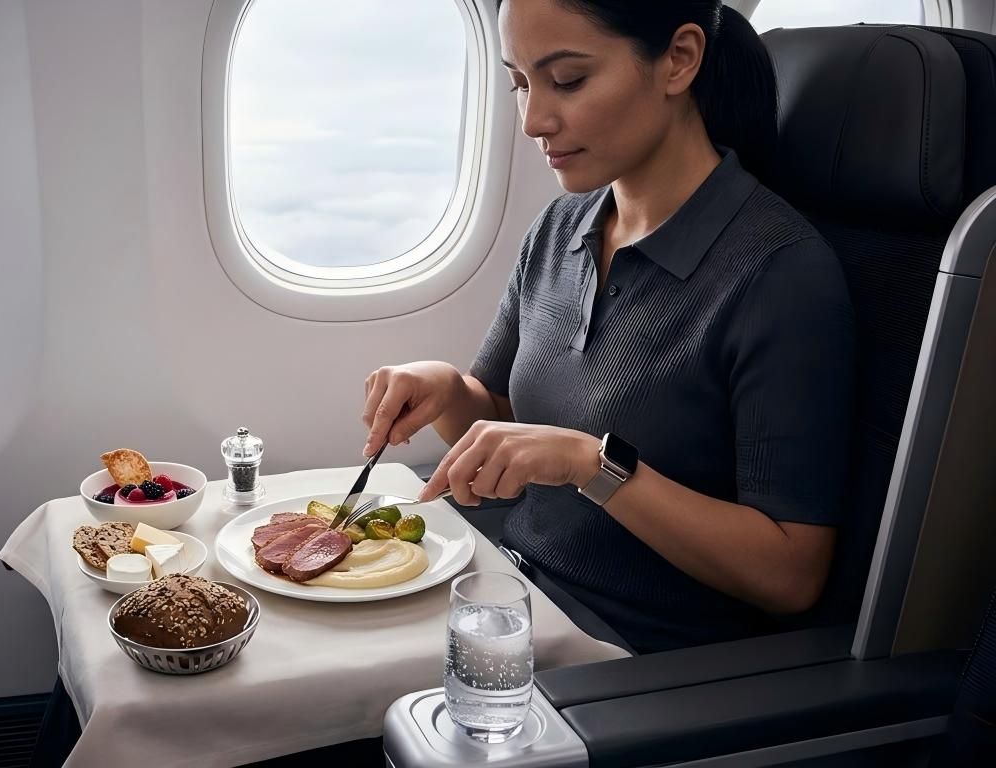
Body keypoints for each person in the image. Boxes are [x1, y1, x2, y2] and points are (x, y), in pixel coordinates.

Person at [361, 0, 855, 653]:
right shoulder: (563, 228)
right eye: (520, 83)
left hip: (630, 659)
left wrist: (591, 464)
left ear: (678, 60)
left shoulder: (779, 275)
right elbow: (502, 419)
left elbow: (790, 573)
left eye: (567, 80)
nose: (535, 119)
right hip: (515, 596)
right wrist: (447, 391)